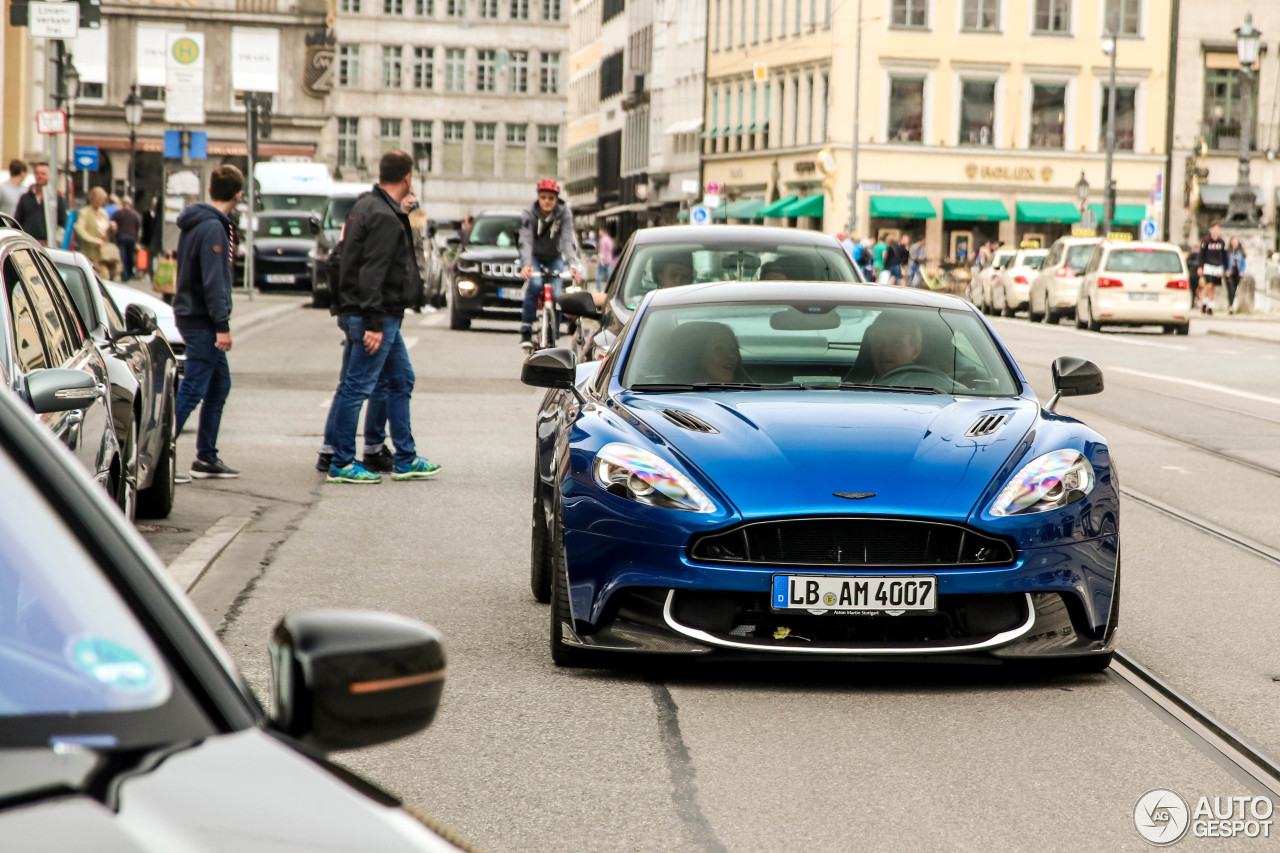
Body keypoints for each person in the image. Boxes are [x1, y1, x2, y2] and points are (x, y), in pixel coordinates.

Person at [326, 150, 439, 484]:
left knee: (400, 379)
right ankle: (342, 462)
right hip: (376, 316)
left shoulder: (366, 206)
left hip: (366, 313)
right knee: (357, 388)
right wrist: (373, 323)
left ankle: (405, 457)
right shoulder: (384, 217)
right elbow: (372, 273)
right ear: (407, 179)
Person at [173, 165, 245, 480]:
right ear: (239, 195)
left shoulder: (196, 221)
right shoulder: (214, 228)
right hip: (203, 319)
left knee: (219, 384)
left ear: (211, 190)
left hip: (191, 312)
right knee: (193, 388)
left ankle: (206, 457)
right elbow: (213, 282)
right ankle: (154, 453)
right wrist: (222, 325)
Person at [517, 178, 581, 350]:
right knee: (535, 284)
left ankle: (554, 331)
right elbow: (526, 240)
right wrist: (527, 264)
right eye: (543, 197)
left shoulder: (564, 213)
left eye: (551, 198)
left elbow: (568, 239)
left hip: (555, 257)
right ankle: (526, 330)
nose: (547, 201)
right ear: (538, 197)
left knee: (556, 293)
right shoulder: (529, 213)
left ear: (556, 199)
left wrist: (572, 264)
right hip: (535, 257)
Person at [14, 162, 66, 246]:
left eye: (43, 174)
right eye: (37, 173)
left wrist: (55, 241)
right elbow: (17, 221)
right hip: (28, 245)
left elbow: (62, 223)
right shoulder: (25, 198)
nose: (40, 176)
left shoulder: (57, 199)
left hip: (49, 247)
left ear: (49, 176)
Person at [75, 187, 114, 278]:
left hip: (102, 254)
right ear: (92, 199)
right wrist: (95, 240)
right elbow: (80, 230)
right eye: (98, 200)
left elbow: (106, 231)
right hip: (89, 252)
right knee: (93, 276)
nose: (100, 202)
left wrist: (112, 228)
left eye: (102, 200)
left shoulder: (104, 213)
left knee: (104, 276)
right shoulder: (84, 212)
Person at [1198, 221, 1227, 315]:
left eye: (1217, 229)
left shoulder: (1221, 242)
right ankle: (1204, 302)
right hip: (1208, 265)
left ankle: (1210, 306)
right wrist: (1200, 266)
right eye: (1214, 228)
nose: (1215, 231)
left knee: (1214, 287)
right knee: (1208, 285)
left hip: (1217, 266)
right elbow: (1201, 254)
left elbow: (1224, 255)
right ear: (1211, 229)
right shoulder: (1206, 240)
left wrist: (1225, 268)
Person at [112, 197, 143, 282]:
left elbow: (114, 226)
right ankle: (129, 273)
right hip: (132, 238)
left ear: (122, 204)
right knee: (130, 256)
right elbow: (138, 227)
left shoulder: (117, 213)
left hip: (121, 237)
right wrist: (136, 238)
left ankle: (125, 275)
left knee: (123, 256)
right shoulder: (135, 215)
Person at [1226, 236, 1246, 313]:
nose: (1234, 243)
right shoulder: (1228, 252)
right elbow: (1225, 262)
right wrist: (1226, 270)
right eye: (1233, 241)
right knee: (1230, 289)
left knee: (1234, 290)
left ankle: (1231, 304)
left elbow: (1243, 264)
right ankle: (1230, 306)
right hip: (1229, 273)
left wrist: (1242, 271)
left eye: (1236, 242)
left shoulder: (1240, 253)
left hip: (1237, 273)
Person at [596, 225, 614, 291]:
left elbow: (602, 251)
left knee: (599, 274)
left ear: (602, 231)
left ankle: (598, 288)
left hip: (602, 260)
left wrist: (601, 259)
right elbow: (611, 249)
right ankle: (612, 286)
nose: (599, 232)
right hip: (608, 259)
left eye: (599, 231)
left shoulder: (603, 240)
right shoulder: (609, 239)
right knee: (608, 274)